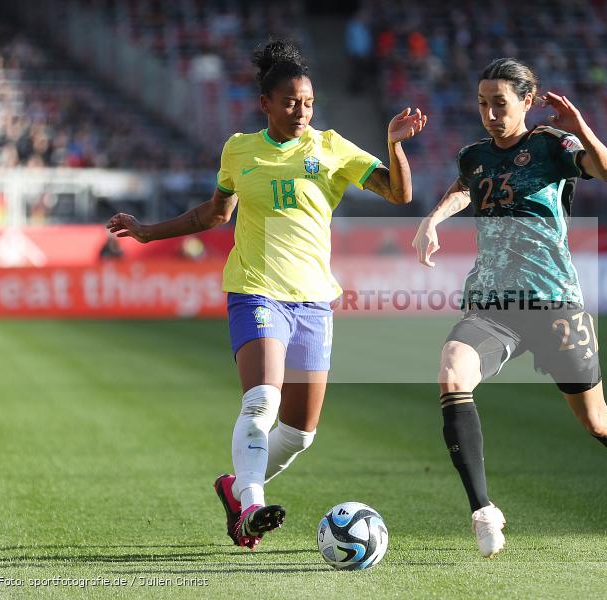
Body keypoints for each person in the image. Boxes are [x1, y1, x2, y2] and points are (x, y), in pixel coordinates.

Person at [107, 39, 426, 550]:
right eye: (291, 102)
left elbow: (399, 193)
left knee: (299, 433)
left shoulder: (330, 147)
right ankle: (252, 506)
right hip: (256, 292)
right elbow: (213, 215)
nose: (301, 111)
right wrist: (148, 232)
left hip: (314, 301)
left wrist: (395, 144)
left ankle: (235, 489)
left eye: (308, 103)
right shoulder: (239, 150)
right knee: (261, 401)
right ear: (266, 105)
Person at [411, 58, 607, 558]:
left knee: (594, 421)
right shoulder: (474, 155)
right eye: (482, 103)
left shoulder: (552, 145)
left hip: (554, 303)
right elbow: (464, 188)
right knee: (450, 375)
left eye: (499, 103)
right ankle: (484, 511)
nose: (489, 112)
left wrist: (582, 130)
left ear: (527, 101)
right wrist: (432, 219)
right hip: (492, 305)